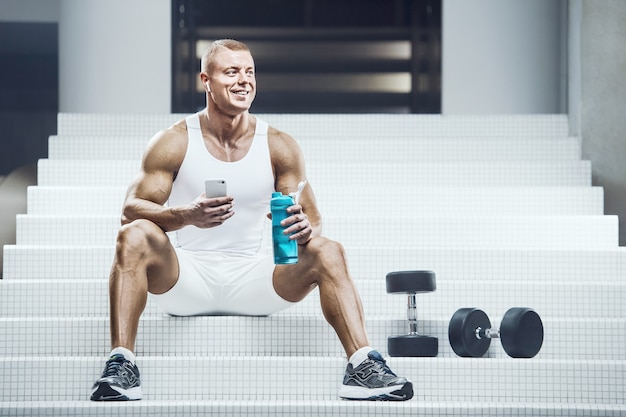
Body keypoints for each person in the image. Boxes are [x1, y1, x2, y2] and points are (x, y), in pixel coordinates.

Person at [90, 39, 413, 402]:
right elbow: (129, 211)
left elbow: (312, 216)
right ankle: (121, 365)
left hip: (255, 280)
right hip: (185, 281)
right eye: (232, 72)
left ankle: (361, 365)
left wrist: (307, 229)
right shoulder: (174, 141)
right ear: (206, 80)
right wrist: (186, 215)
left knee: (329, 249)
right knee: (134, 235)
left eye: (250, 72)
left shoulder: (278, 145)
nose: (244, 81)